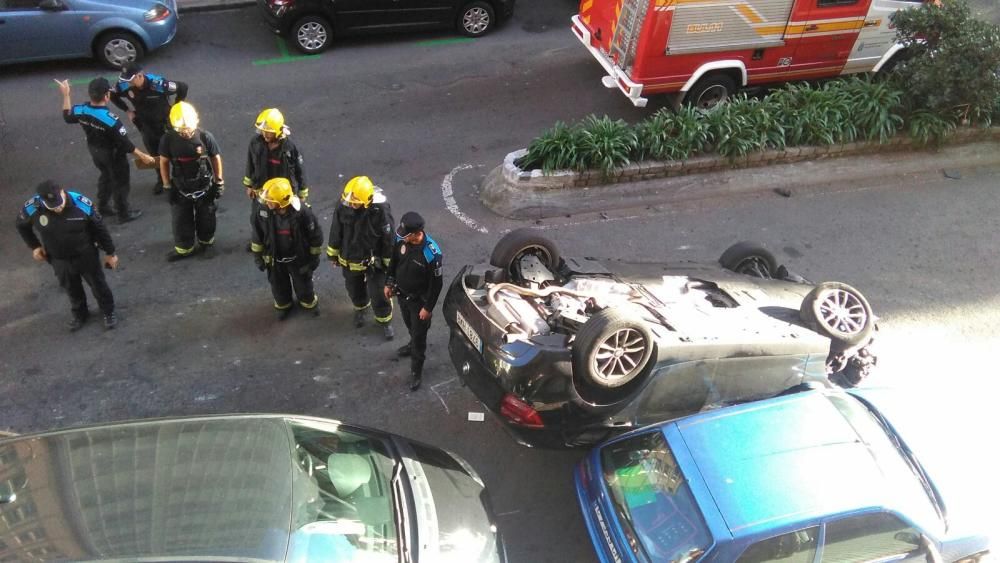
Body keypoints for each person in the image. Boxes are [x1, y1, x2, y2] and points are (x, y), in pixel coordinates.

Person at [16, 180, 120, 331]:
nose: (57, 208)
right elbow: (21, 225)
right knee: (71, 288)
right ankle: (80, 314)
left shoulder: (81, 203)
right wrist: (35, 246)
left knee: (98, 285)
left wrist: (110, 253)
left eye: (59, 203)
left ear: (63, 192)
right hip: (58, 258)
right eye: (52, 206)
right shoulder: (32, 207)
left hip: (85, 254)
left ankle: (108, 312)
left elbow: (100, 229)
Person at [56, 77, 154, 223]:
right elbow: (125, 143)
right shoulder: (111, 120)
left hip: (95, 151)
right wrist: (142, 155)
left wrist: (66, 94)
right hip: (113, 155)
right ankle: (123, 213)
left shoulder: (81, 110)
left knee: (106, 176)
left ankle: (103, 206)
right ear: (107, 96)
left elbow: (67, 116)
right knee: (120, 183)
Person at [326, 176, 395, 340]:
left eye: (355, 201)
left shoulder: (380, 211)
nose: (351, 203)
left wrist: (388, 263)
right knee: (353, 288)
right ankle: (361, 308)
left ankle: (384, 320)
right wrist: (333, 254)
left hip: (374, 261)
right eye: (350, 200)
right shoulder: (343, 206)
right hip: (350, 258)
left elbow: (388, 238)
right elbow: (336, 230)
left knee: (379, 292)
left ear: (367, 200)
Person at [158, 101, 225, 262]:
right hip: (181, 188)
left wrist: (219, 182)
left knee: (207, 217)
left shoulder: (205, 137)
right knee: (181, 220)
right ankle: (184, 248)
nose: (186, 133)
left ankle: (206, 243)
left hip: (204, 186)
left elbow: (215, 158)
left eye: (188, 129)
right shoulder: (168, 140)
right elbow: (164, 162)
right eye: (181, 130)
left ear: (196, 122)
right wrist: (167, 185)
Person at [384, 212, 443, 391]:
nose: (401, 237)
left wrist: (428, 307)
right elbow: (393, 262)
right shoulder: (402, 239)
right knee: (409, 325)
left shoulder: (432, 253)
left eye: (406, 235)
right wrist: (389, 282)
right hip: (402, 296)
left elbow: (437, 285)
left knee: (419, 337)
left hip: (420, 303)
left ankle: (416, 370)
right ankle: (411, 344)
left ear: (417, 234)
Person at [110, 62, 189, 195]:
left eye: (130, 80)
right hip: (146, 126)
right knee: (154, 155)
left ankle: (179, 180)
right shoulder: (124, 85)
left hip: (165, 124)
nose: (126, 83)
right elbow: (113, 95)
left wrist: (176, 106)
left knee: (175, 153)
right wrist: (128, 110)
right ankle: (162, 180)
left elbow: (183, 87)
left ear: (140, 76)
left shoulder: (159, 84)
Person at [251, 178, 323, 320]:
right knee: (278, 286)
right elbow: (257, 235)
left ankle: (308, 303)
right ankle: (284, 306)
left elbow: (315, 235)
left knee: (304, 285)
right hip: (275, 259)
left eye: (271, 200)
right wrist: (258, 257)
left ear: (282, 201)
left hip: (298, 258)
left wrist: (313, 260)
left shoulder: (302, 212)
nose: (267, 202)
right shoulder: (263, 211)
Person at [242, 108, 308, 251]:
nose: (265, 134)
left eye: (269, 131)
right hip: (262, 191)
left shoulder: (290, 148)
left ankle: (282, 243)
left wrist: (302, 192)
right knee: (258, 217)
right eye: (263, 130)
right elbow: (250, 163)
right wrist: (249, 185)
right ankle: (260, 242)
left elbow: (299, 170)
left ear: (278, 130)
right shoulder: (255, 143)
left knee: (282, 220)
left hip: (281, 193)